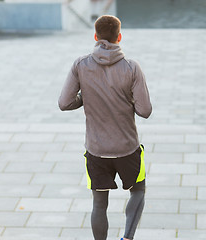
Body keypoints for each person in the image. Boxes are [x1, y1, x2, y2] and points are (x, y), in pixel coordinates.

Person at [58, 15, 152, 240]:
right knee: (138, 191)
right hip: (128, 150)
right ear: (119, 37)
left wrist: (85, 97)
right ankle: (127, 238)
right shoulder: (131, 67)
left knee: (99, 204)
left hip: (96, 151)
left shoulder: (81, 65)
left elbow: (64, 103)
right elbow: (145, 110)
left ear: (95, 36)